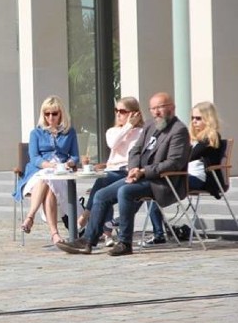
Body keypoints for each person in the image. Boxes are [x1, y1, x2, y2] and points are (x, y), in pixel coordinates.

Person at [57, 92, 190, 257]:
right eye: (153, 108)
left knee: (124, 191)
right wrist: (133, 168)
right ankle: (87, 241)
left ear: (172, 108)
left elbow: (174, 163)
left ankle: (125, 242)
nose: (156, 112)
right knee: (101, 194)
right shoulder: (150, 126)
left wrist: (143, 171)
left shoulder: (179, 130)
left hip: (162, 181)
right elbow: (135, 150)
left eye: (160, 108)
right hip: (139, 176)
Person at [145, 100, 224, 245]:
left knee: (154, 187)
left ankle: (159, 233)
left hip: (198, 178)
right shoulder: (191, 138)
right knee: (152, 186)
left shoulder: (211, 137)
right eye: (192, 118)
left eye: (198, 118)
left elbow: (187, 157)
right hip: (183, 175)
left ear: (209, 119)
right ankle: (159, 232)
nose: (194, 122)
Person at [14, 96, 80, 245]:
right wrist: (50, 166)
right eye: (47, 114)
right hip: (37, 172)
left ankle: (41, 225)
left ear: (61, 113)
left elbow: (75, 156)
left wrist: (69, 163)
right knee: (45, 178)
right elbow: (34, 158)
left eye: (54, 113)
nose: (51, 117)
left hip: (60, 173)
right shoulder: (36, 133)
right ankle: (37, 221)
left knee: (50, 187)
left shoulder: (69, 132)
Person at [77, 97, 144, 244]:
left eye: (122, 111)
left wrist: (132, 126)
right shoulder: (112, 131)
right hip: (112, 171)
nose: (118, 114)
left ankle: (87, 219)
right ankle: (97, 231)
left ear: (134, 114)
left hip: (129, 171)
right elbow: (113, 144)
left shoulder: (141, 133)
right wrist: (127, 127)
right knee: (103, 183)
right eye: (116, 111)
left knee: (103, 185)